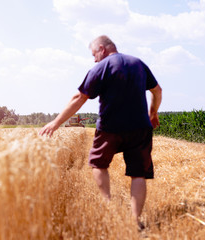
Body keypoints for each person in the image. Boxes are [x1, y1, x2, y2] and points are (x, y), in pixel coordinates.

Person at [39, 35, 162, 230]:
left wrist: (55, 123)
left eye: (94, 54)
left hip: (110, 127)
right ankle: (135, 221)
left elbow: (79, 97)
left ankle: (108, 205)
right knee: (138, 173)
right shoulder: (138, 64)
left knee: (97, 163)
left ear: (102, 49)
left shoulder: (100, 67)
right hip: (140, 127)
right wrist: (152, 113)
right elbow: (157, 91)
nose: (94, 59)